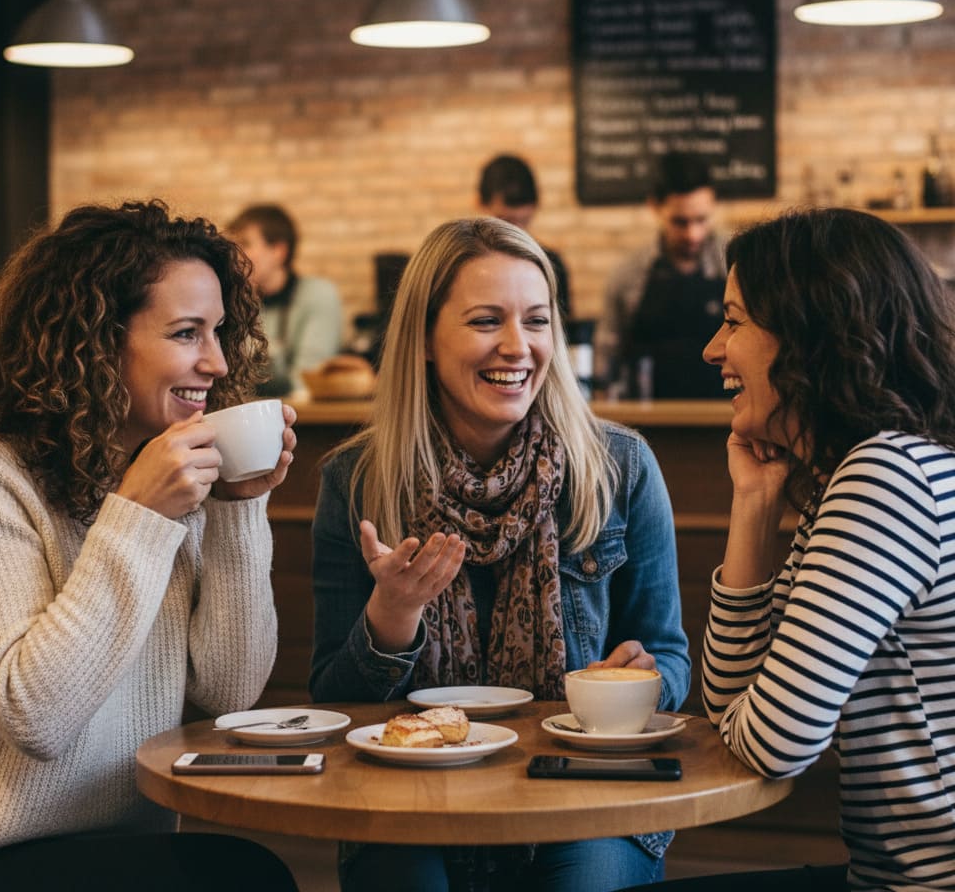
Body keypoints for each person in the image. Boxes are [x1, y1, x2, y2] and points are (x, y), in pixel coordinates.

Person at [310, 216, 690, 891]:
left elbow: (670, 656)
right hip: (408, 802)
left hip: (586, 796)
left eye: (537, 321)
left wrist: (644, 679)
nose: (518, 347)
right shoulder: (358, 479)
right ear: (425, 340)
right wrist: (392, 616)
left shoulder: (619, 466)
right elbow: (335, 705)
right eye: (487, 321)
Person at [0, 200, 298, 885]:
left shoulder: (168, 474)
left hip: (127, 842)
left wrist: (240, 511)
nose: (217, 362)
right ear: (98, 340)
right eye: (187, 333)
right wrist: (137, 514)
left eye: (219, 332)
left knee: (251, 873)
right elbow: (35, 716)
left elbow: (230, 692)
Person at [636, 208, 955, 892]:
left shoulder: (885, 478)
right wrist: (754, 506)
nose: (712, 349)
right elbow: (730, 708)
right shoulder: (870, 472)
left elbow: (774, 743)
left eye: (735, 320)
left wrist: (756, 716)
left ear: (812, 332)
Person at [593, 152, 725, 400]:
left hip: (727, 424)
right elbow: (606, 359)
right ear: (654, 206)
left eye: (701, 220)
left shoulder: (735, 265)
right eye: (680, 222)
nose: (693, 234)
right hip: (647, 426)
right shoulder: (628, 274)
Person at [226, 203, 343, 396]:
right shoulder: (237, 300)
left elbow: (307, 377)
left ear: (278, 251)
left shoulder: (319, 295)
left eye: (246, 243)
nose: (235, 254)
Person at [477, 153, 573, 324]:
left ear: (536, 207)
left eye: (523, 221)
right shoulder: (467, 266)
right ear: (480, 204)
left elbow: (562, 331)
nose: (515, 231)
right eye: (504, 221)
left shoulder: (552, 264)